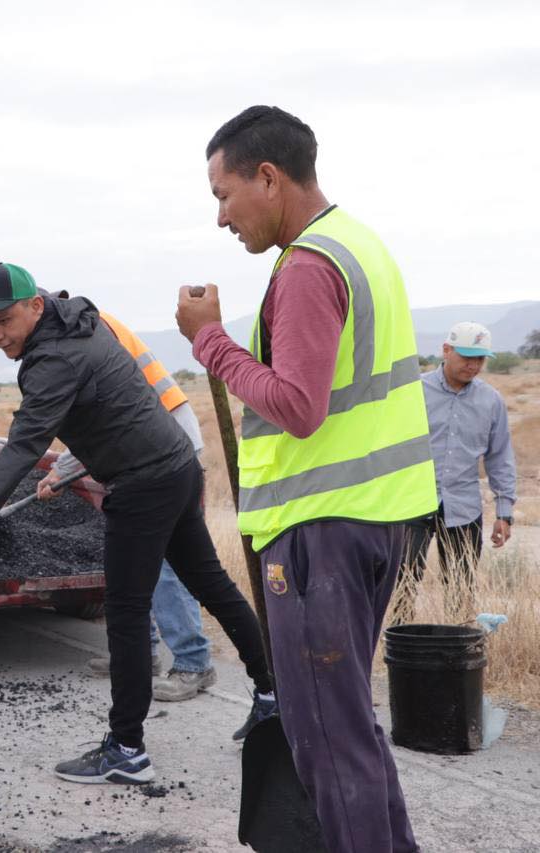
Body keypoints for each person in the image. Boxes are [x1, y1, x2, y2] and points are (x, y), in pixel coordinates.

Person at [176, 105, 438, 853]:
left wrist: (211, 342)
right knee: (346, 723)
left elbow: (297, 405)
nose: (222, 217)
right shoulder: (360, 245)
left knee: (325, 737)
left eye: (224, 195)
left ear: (268, 176)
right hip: (373, 520)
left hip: (323, 533)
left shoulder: (307, 268)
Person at [0, 262, 273, 786]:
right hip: (176, 465)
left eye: (4, 321)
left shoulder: (53, 359)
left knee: (127, 613)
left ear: (35, 305)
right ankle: (272, 697)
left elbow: (21, 448)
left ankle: (127, 749)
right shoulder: (78, 320)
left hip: (143, 483)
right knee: (211, 584)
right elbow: (103, 411)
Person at [40, 304, 216, 702]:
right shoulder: (86, 329)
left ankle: (194, 663)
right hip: (140, 450)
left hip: (167, 446)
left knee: (167, 564)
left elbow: (110, 417)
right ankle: (141, 654)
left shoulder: (85, 338)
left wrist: (61, 470)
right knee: (138, 559)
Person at [394, 321, 517, 621]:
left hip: (464, 508)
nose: (473, 365)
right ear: (446, 351)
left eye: (480, 359)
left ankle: (455, 654)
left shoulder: (491, 401)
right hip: (412, 504)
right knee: (402, 586)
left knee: (461, 589)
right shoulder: (412, 392)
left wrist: (504, 512)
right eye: (466, 357)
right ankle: (401, 655)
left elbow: (499, 457)